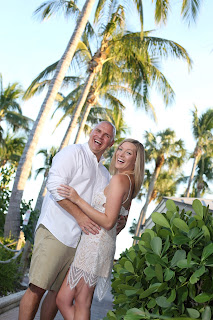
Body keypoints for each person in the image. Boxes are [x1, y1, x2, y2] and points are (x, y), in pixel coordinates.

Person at [19, 121, 126, 320]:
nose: (100, 137)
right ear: (91, 132)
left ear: (110, 143)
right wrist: (79, 216)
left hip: (80, 242)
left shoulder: (104, 174)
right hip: (56, 231)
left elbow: (102, 209)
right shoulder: (72, 153)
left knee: (55, 294)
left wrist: (118, 221)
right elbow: (53, 184)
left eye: (106, 136)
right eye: (98, 131)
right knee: (37, 288)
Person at [56, 138, 145, 320]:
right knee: (75, 301)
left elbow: (108, 222)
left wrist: (76, 198)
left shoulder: (120, 180)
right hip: (98, 243)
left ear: (136, 161)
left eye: (128, 152)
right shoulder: (129, 181)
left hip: (95, 245)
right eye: (120, 149)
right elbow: (122, 221)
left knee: (70, 301)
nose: (121, 154)